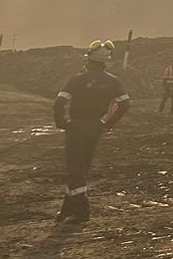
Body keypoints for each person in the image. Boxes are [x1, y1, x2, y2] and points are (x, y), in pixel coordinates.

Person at [52, 39, 131, 227]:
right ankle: (68, 208)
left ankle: (82, 210)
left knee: (75, 167)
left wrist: (62, 123)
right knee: (82, 166)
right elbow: (125, 103)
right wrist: (108, 123)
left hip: (76, 127)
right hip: (96, 127)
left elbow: (59, 104)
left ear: (88, 61)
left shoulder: (76, 80)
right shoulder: (112, 81)